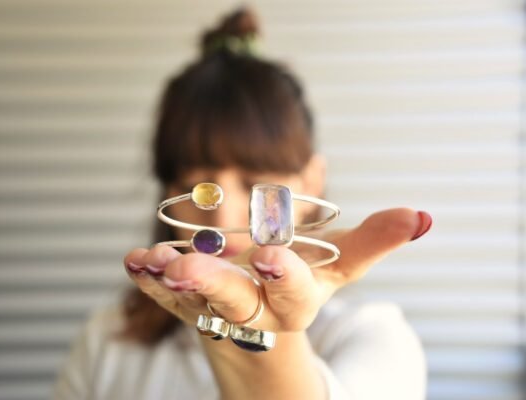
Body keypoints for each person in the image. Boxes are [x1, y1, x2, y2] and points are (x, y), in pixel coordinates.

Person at [53, 7, 430, 400]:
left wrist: (264, 339)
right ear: (169, 193)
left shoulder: (373, 338)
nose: (222, 216)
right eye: (197, 187)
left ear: (310, 183)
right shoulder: (108, 341)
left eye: (255, 184)